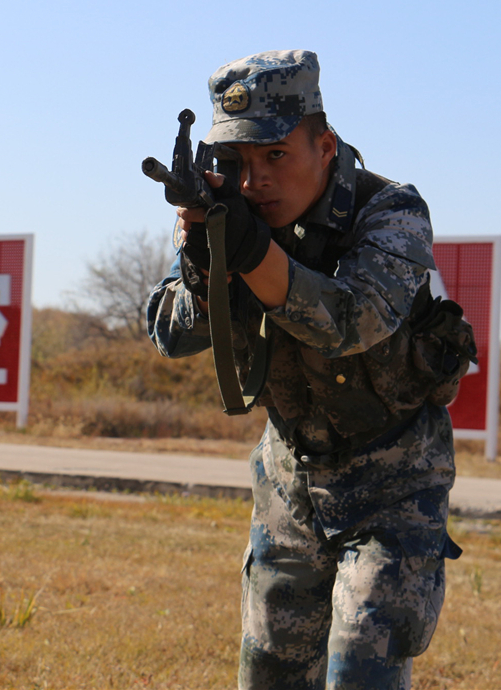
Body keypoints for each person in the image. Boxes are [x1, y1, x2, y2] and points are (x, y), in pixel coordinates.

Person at [146, 50, 471, 690]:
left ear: (324, 146)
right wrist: (208, 261)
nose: (254, 180)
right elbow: (170, 332)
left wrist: (250, 251)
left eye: (274, 156)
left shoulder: (392, 212)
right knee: (269, 671)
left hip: (392, 482)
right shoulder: (233, 220)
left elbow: (351, 320)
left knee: (361, 663)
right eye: (235, 162)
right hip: (290, 481)